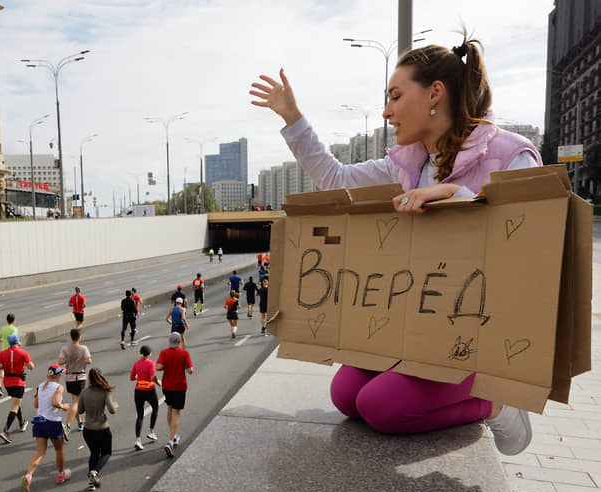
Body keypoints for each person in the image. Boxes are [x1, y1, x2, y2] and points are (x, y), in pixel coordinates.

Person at [249, 33, 540, 455]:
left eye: (395, 96)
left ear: (434, 94)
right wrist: (293, 117)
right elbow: (337, 180)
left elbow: (534, 251)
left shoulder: (511, 156)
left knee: (381, 406)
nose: (386, 111)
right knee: (347, 395)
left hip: (478, 335)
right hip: (420, 323)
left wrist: (458, 199)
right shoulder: (409, 163)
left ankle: (494, 401)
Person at [20, 364, 71, 492]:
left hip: (40, 422)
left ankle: (29, 476)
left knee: (40, 453)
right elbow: (54, 403)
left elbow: (36, 404)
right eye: (61, 373)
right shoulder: (59, 387)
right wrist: (63, 406)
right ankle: (60, 475)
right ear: (58, 375)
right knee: (59, 449)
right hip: (53, 422)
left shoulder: (41, 386)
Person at [77, 367, 118, 490]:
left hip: (88, 430)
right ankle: (95, 471)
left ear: (89, 379)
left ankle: (91, 482)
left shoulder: (84, 392)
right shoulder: (105, 392)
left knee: (94, 453)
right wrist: (114, 405)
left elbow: (80, 410)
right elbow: (112, 411)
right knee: (106, 452)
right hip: (102, 428)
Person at [157, 332, 193, 458]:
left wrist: (167, 366)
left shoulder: (164, 352)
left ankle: (174, 435)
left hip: (167, 386)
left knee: (170, 409)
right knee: (176, 412)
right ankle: (170, 441)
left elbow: (158, 367)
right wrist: (184, 366)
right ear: (179, 342)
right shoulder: (184, 353)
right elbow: (190, 370)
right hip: (179, 386)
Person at [0, 334, 34, 444]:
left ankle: (21, 423)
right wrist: (22, 363)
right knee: (15, 406)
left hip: (7, 382)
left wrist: (6, 366)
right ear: (17, 342)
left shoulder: (3, 353)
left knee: (15, 402)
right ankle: (5, 431)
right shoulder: (22, 353)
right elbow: (31, 366)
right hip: (18, 382)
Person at [59, 328, 92, 433]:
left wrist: (68, 360)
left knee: (75, 400)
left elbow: (60, 362)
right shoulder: (83, 348)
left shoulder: (65, 348)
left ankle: (80, 422)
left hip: (69, 377)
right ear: (79, 337)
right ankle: (67, 425)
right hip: (80, 377)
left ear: (71, 337)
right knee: (76, 402)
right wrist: (84, 361)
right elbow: (89, 361)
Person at [130, 345, 160, 451]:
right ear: (149, 354)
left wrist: (139, 376)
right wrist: (158, 382)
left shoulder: (136, 363)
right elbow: (152, 377)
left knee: (140, 415)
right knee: (155, 408)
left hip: (138, 391)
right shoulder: (151, 363)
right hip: (149, 390)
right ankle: (151, 432)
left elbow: (132, 378)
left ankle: (138, 440)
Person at [0, 313, 18, 397]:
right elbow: (15, 340)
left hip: (3, 351)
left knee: (3, 369)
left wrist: (4, 341)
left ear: (7, 320)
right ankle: (12, 387)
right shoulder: (14, 329)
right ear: (14, 320)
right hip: (11, 352)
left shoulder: (3, 329)